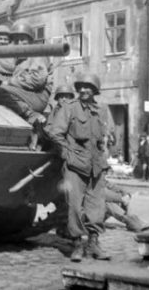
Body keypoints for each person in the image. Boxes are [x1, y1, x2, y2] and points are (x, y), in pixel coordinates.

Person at [46, 73, 113, 262]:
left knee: (97, 206)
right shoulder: (69, 108)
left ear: (95, 90)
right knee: (74, 207)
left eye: (88, 86)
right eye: (81, 86)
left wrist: (104, 151)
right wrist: (68, 154)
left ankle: (93, 243)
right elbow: (55, 133)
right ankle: (76, 244)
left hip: (96, 166)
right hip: (75, 166)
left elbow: (104, 137)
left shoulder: (101, 110)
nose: (84, 90)